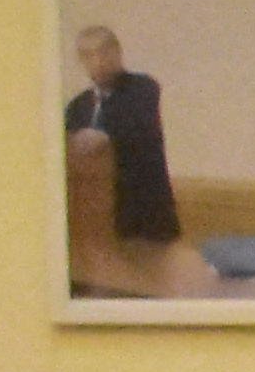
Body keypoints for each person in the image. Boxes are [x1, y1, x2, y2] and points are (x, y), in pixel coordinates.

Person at [66, 19, 181, 244]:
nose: (98, 61)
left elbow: (135, 128)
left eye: (103, 52)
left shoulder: (143, 88)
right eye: (88, 55)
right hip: (94, 221)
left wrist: (104, 137)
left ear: (117, 52)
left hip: (144, 216)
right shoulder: (77, 106)